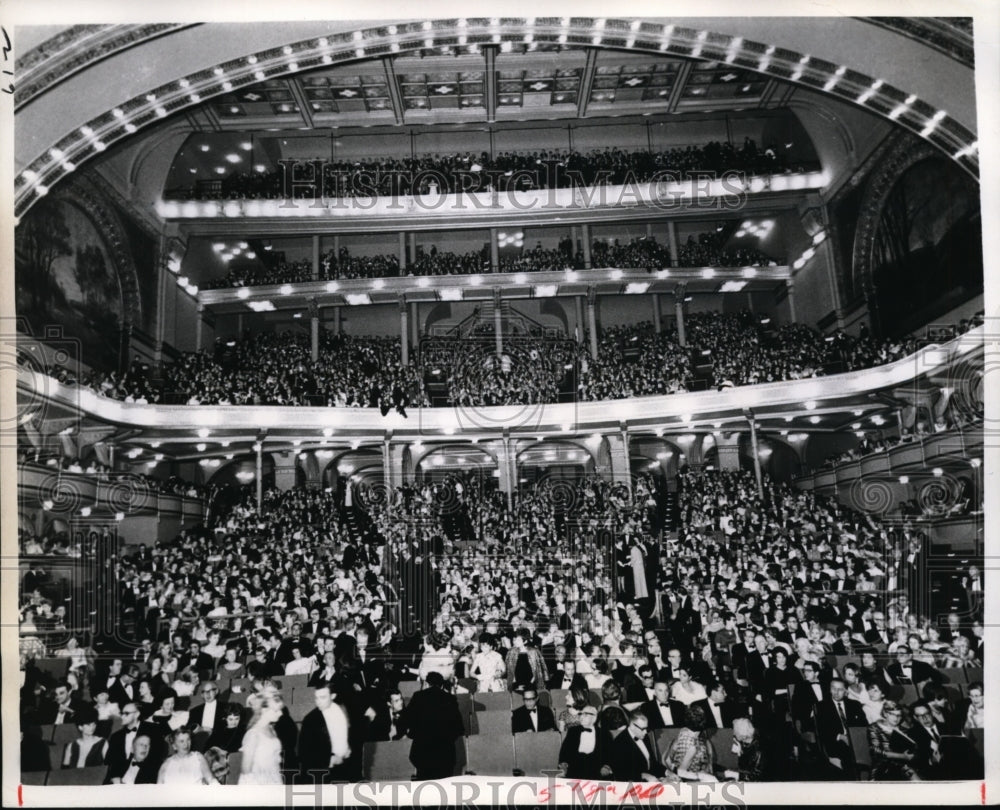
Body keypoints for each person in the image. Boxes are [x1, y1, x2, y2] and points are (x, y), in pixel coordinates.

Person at [401, 671, 464, 780]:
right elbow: (459, 728)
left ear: (426, 683)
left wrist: (413, 734)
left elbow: (406, 720)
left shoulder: (418, 696)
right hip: (445, 754)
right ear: (442, 685)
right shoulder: (450, 698)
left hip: (422, 753)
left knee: (424, 787)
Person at [297, 684, 352, 783]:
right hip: (323, 774)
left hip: (345, 769)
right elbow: (303, 752)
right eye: (316, 697)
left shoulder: (343, 710)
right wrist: (329, 760)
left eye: (323, 697)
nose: (318, 702)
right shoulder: (310, 720)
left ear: (333, 696)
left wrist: (349, 748)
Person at [238, 692, 285, 784]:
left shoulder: (272, 730)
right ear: (264, 710)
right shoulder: (253, 734)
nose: (280, 713)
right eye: (276, 710)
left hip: (273, 777)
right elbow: (246, 770)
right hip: (257, 783)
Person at [867, 701, 920, 781]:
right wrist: (902, 756)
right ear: (885, 714)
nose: (896, 718)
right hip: (883, 766)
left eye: (899, 715)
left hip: (904, 765)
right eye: (893, 714)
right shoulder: (875, 728)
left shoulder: (904, 730)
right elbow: (875, 751)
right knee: (909, 772)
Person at [609, 710, 668, 783]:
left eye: (647, 728)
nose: (646, 732)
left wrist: (667, 772)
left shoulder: (645, 737)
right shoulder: (619, 742)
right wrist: (643, 775)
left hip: (651, 780)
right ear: (632, 726)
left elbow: (652, 763)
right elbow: (621, 773)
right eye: (643, 729)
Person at [662, 704, 717, 782]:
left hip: (686, 771)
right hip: (688, 779)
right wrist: (699, 776)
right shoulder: (692, 746)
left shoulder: (682, 733)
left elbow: (666, 759)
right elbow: (681, 772)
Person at [558, 705, 613, 780]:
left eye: (586, 715)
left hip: (597, 770)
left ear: (594, 718)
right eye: (581, 714)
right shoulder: (573, 731)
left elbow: (610, 754)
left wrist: (606, 766)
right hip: (575, 769)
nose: (581, 717)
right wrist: (563, 765)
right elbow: (564, 751)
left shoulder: (604, 734)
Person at [722, 717, 771, 781]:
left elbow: (756, 777)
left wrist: (735, 775)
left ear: (743, 736)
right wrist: (739, 752)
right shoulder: (746, 741)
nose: (733, 734)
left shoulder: (759, 751)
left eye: (735, 733)